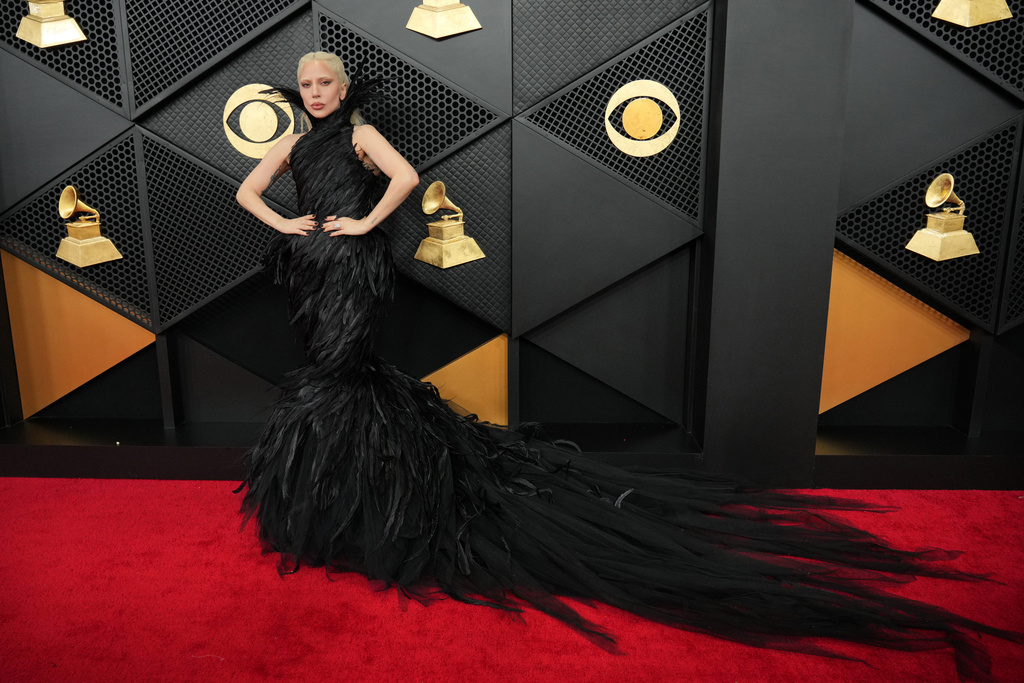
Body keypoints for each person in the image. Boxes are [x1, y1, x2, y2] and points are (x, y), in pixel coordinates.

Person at [235, 52, 1018, 681]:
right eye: (304, 84)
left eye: (325, 81)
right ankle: (345, 502)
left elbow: (405, 181)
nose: (315, 93)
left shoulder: (361, 137)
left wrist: (366, 222)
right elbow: (248, 191)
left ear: (344, 87)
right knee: (329, 375)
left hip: (356, 269)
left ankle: (355, 502)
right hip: (311, 267)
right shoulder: (293, 141)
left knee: (343, 372)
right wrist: (290, 224)